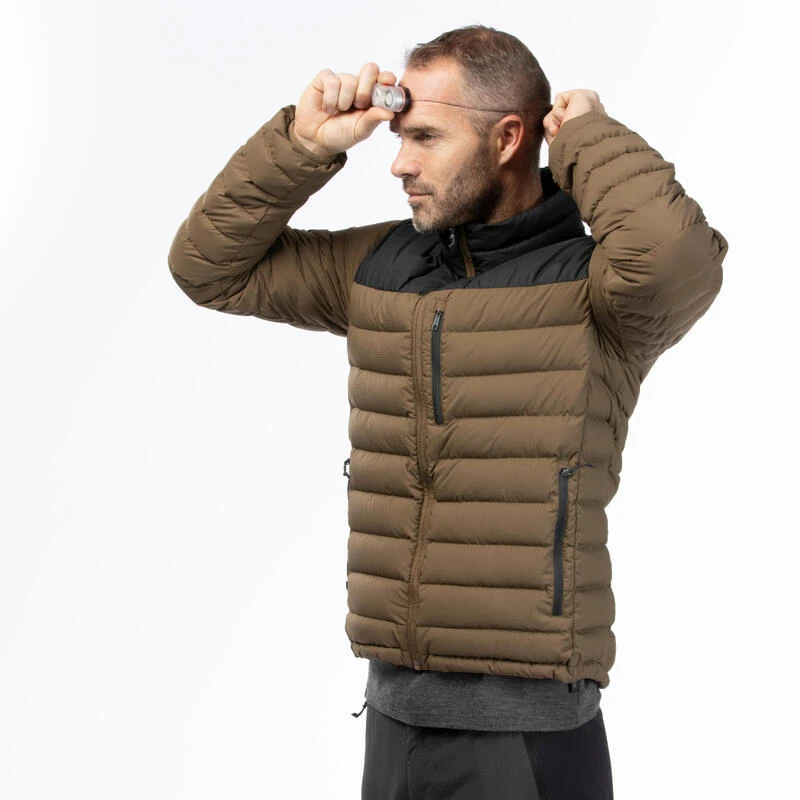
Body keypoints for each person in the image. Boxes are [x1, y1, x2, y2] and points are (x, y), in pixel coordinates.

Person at [168, 25, 727, 800]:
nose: (399, 162)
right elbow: (208, 267)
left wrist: (588, 137)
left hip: (529, 736)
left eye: (426, 137)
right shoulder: (380, 268)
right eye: (400, 137)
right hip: (394, 718)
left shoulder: (595, 289)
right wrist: (301, 143)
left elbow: (677, 260)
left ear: (508, 139)